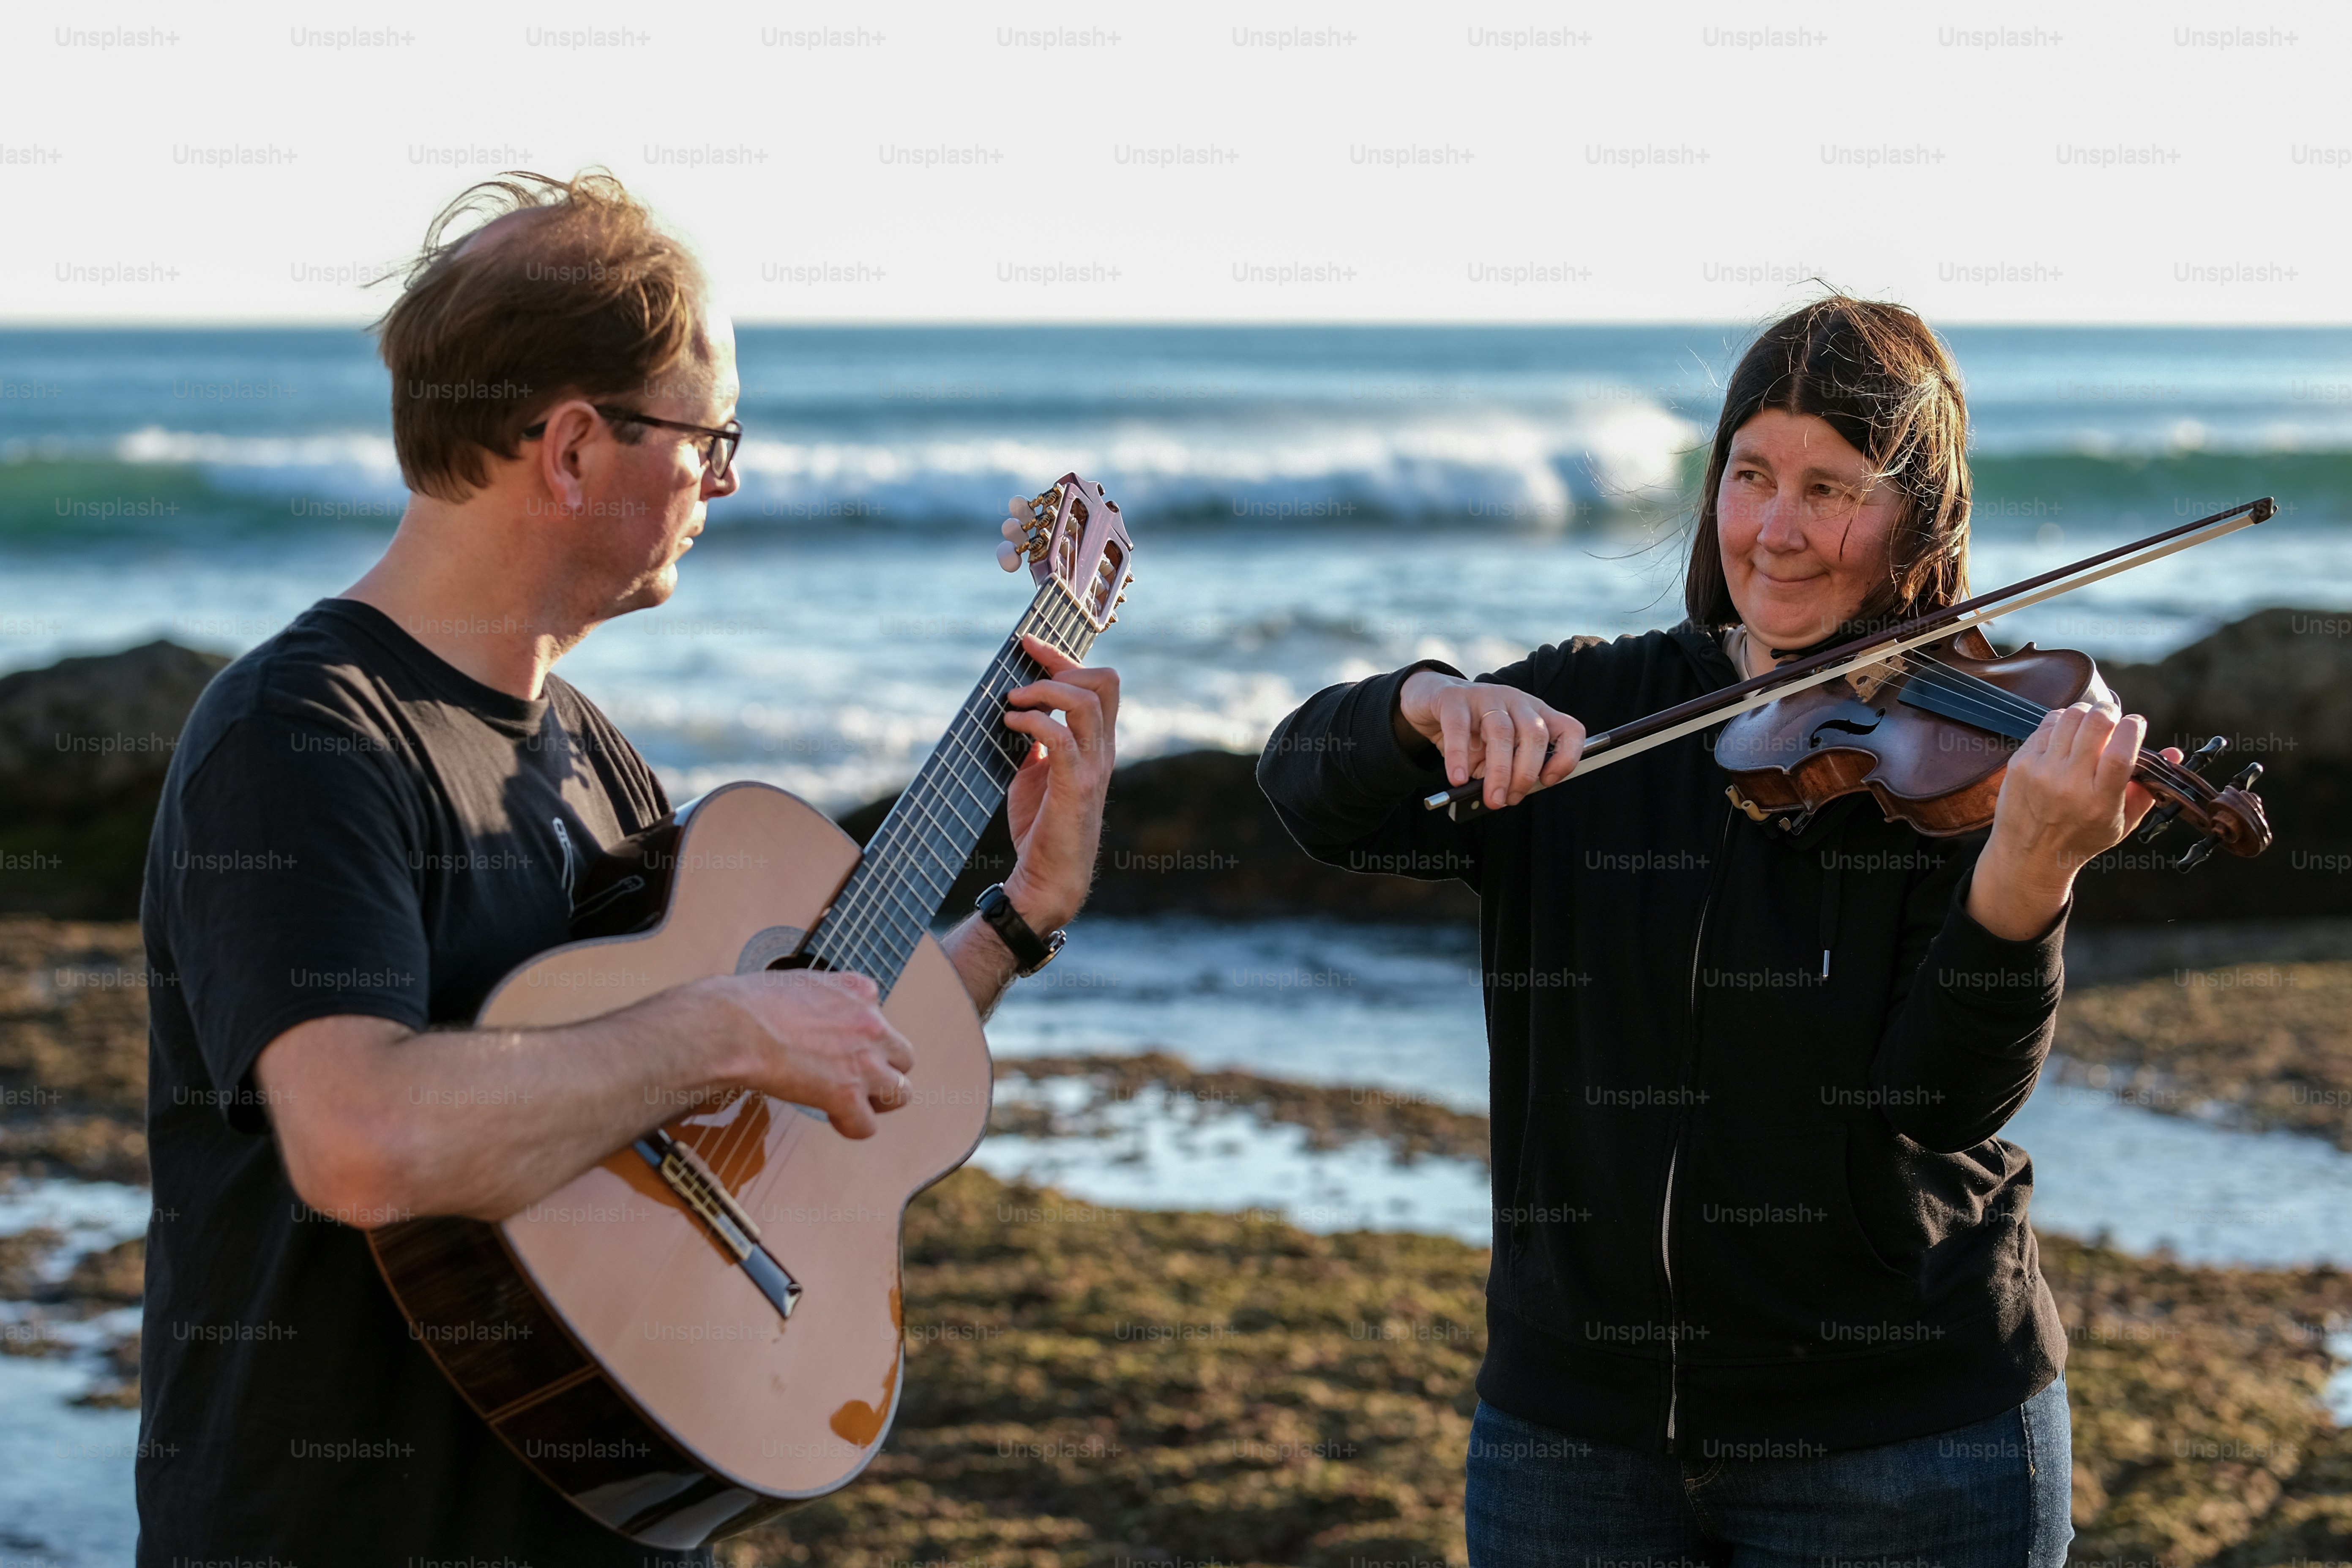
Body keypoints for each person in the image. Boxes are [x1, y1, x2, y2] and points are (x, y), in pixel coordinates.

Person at [134, 171, 1119, 1564]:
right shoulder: (305, 735)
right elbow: (363, 1139)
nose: (722, 482)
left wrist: (1015, 919)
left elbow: (750, 1112)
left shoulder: (597, 763)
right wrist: (725, 1021)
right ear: (578, 448)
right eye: (709, 438)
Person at [1257, 296, 2145, 1567]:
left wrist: (2030, 880)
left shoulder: (1965, 756)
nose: (1776, 533)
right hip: (1572, 1446)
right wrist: (1417, 706)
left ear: (1919, 519)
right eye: (1749, 475)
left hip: (1905, 1450)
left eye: (1832, 489)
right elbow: (1305, 794)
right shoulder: (1590, 712)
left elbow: (1943, 1101)